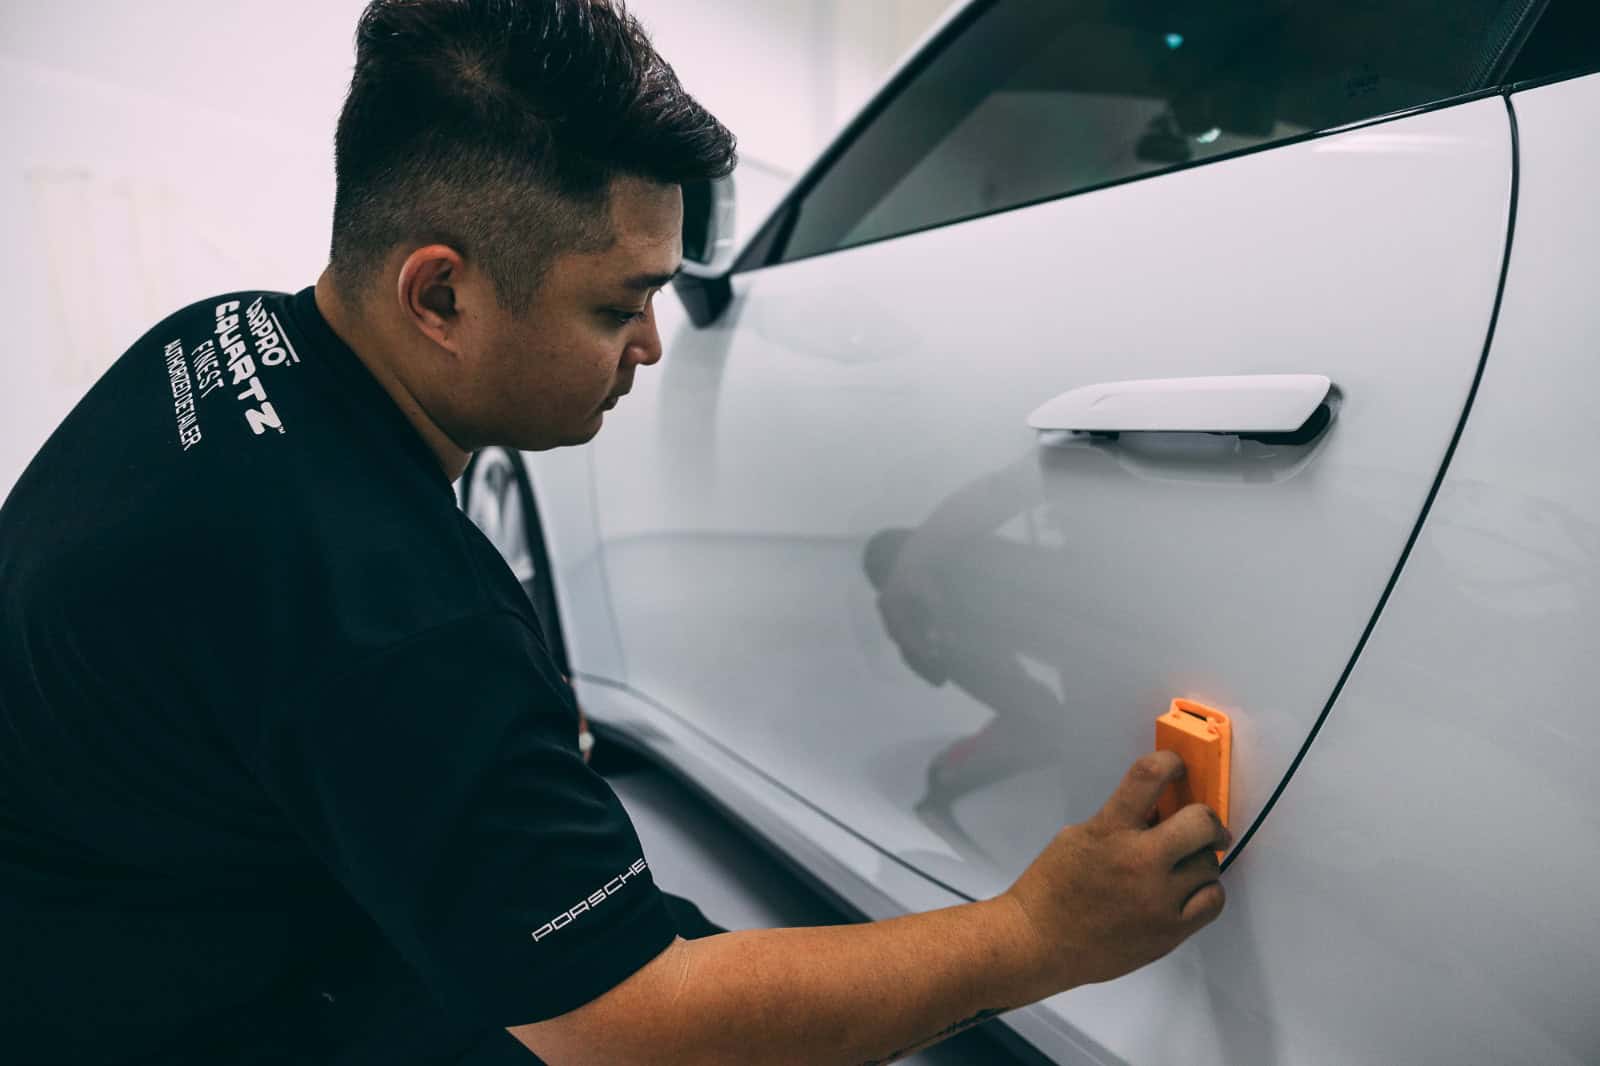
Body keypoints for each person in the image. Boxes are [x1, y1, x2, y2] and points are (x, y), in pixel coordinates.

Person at [0, 1, 1229, 1063]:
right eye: (619, 301)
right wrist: (1035, 936)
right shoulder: (396, 608)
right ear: (440, 292)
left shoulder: (221, 338)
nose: (650, 343)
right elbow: (625, 1025)